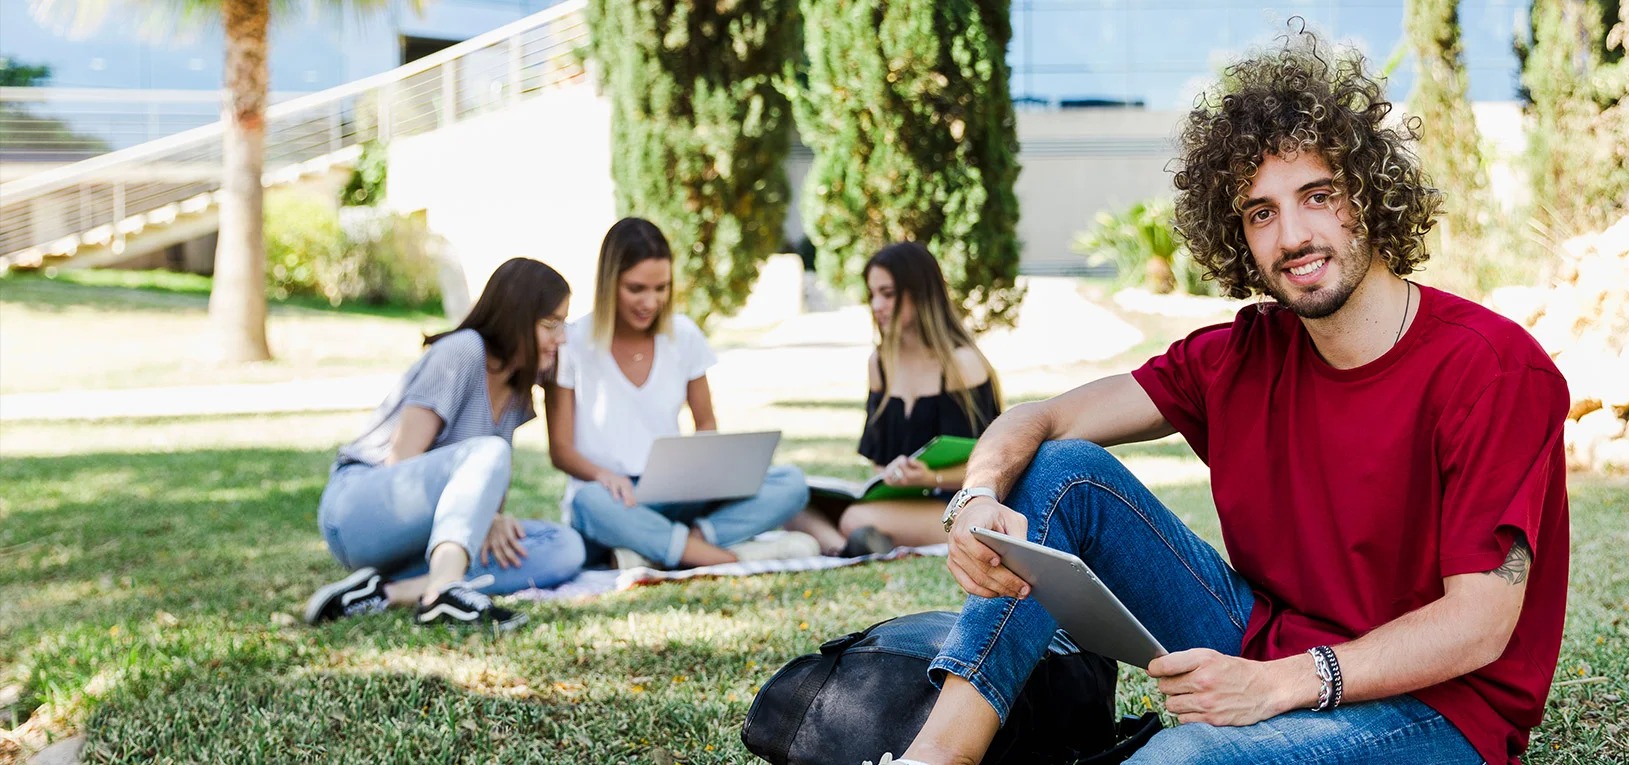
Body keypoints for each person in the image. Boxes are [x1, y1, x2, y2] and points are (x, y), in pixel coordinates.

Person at [879, 28, 1570, 765]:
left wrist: (1276, 686)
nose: (1293, 235)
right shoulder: (1240, 355)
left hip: (1440, 708)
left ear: (1369, 198)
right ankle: (935, 758)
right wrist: (976, 497)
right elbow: (1040, 420)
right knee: (1062, 471)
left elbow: (1479, 626)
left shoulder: (1493, 369)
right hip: (1268, 644)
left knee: (1177, 760)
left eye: (1318, 196)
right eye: (1261, 212)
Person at [304, 257, 587, 631]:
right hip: (360, 509)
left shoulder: (517, 390)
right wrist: (483, 517)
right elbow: (401, 464)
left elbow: (485, 493)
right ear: (515, 317)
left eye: (564, 324)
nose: (561, 337)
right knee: (490, 450)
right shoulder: (464, 350)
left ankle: (390, 591)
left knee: (564, 546)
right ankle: (442, 592)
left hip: (426, 534)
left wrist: (492, 519)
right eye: (550, 324)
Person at [546, 217, 815, 570]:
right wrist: (603, 476)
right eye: (636, 288)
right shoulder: (572, 342)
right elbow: (561, 450)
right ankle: (721, 557)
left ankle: (671, 546)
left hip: (676, 492)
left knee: (792, 483)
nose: (651, 302)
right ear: (609, 283)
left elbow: (705, 423)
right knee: (589, 504)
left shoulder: (683, 335)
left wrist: (706, 472)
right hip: (613, 497)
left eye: (661, 288)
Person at [786, 242, 1003, 557]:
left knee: (854, 519)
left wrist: (929, 478)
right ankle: (846, 548)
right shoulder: (880, 364)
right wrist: (891, 475)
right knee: (792, 503)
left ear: (921, 294)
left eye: (887, 294)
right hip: (899, 501)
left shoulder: (962, 364)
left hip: (957, 504)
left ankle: (847, 545)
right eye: (872, 294)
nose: (877, 305)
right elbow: (878, 461)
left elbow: (995, 463)